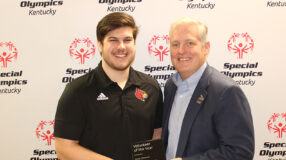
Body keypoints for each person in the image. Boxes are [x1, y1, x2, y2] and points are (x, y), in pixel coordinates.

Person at [54, 12, 163, 160]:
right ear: (100, 45)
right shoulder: (77, 90)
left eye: (127, 40)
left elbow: (156, 134)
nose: (122, 46)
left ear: (134, 43)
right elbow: (64, 148)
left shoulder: (151, 87)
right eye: (113, 40)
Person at [161, 17, 255, 160]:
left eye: (190, 43)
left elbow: (240, 153)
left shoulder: (226, 92)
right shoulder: (170, 86)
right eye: (175, 44)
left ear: (206, 47)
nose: (181, 51)